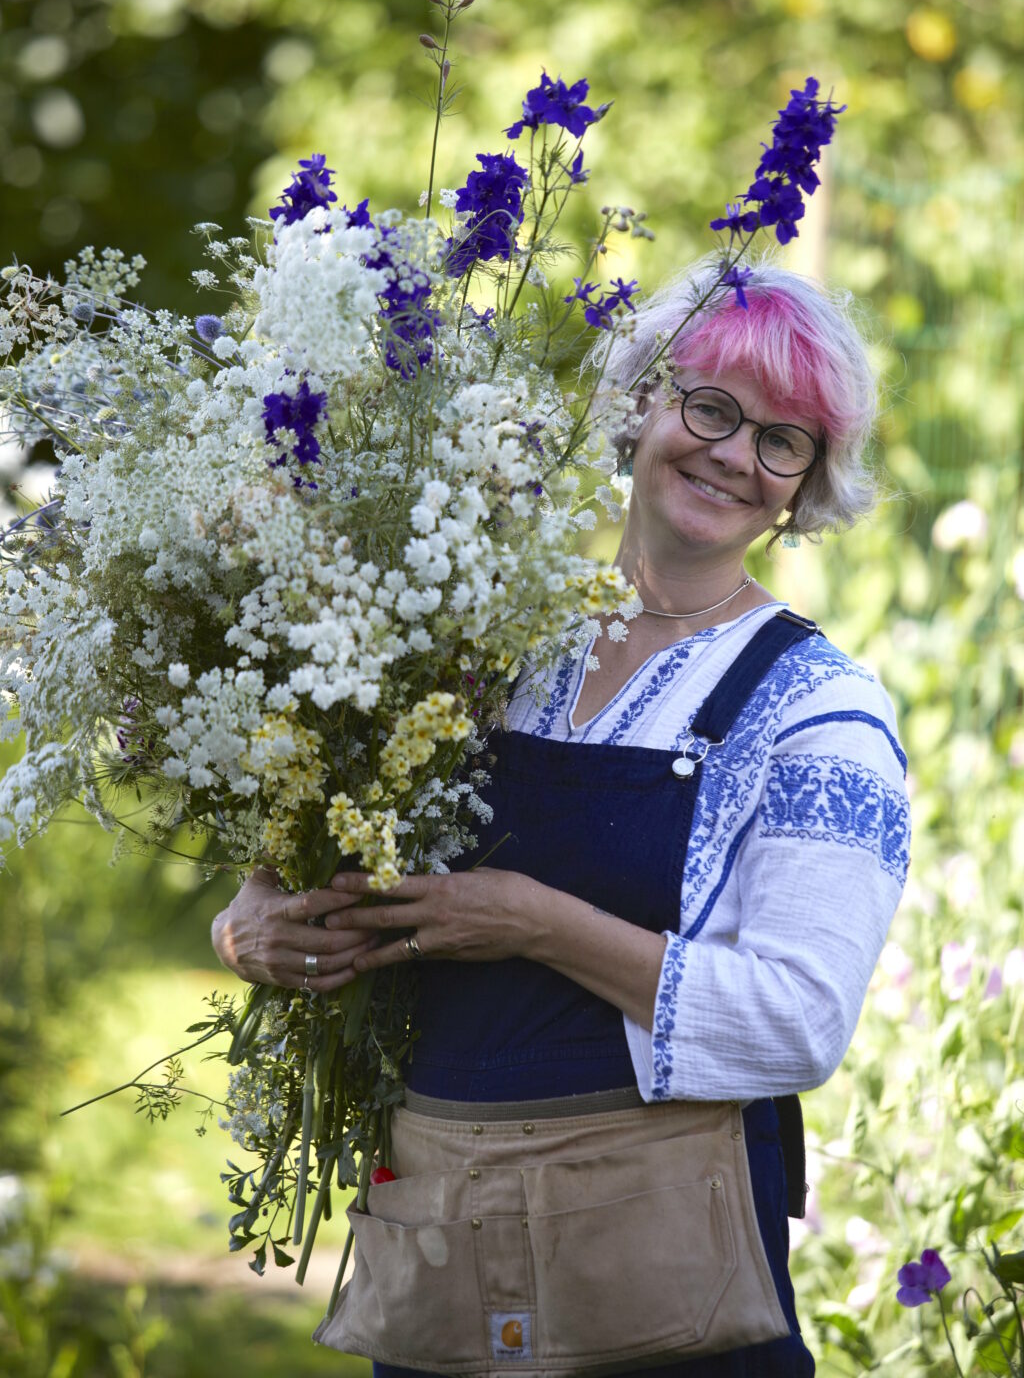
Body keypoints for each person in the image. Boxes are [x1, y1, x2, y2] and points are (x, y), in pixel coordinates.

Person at [212, 258, 910, 1377]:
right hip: (439, 1252)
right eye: (711, 405)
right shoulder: (488, 637)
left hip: (660, 1284)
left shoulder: (815, 708)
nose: (736, 454)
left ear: (804, 485)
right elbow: (321, 838)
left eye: (784, 440)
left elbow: (796, 1023)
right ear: (639, 402)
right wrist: (253, 920)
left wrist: (538, 922)